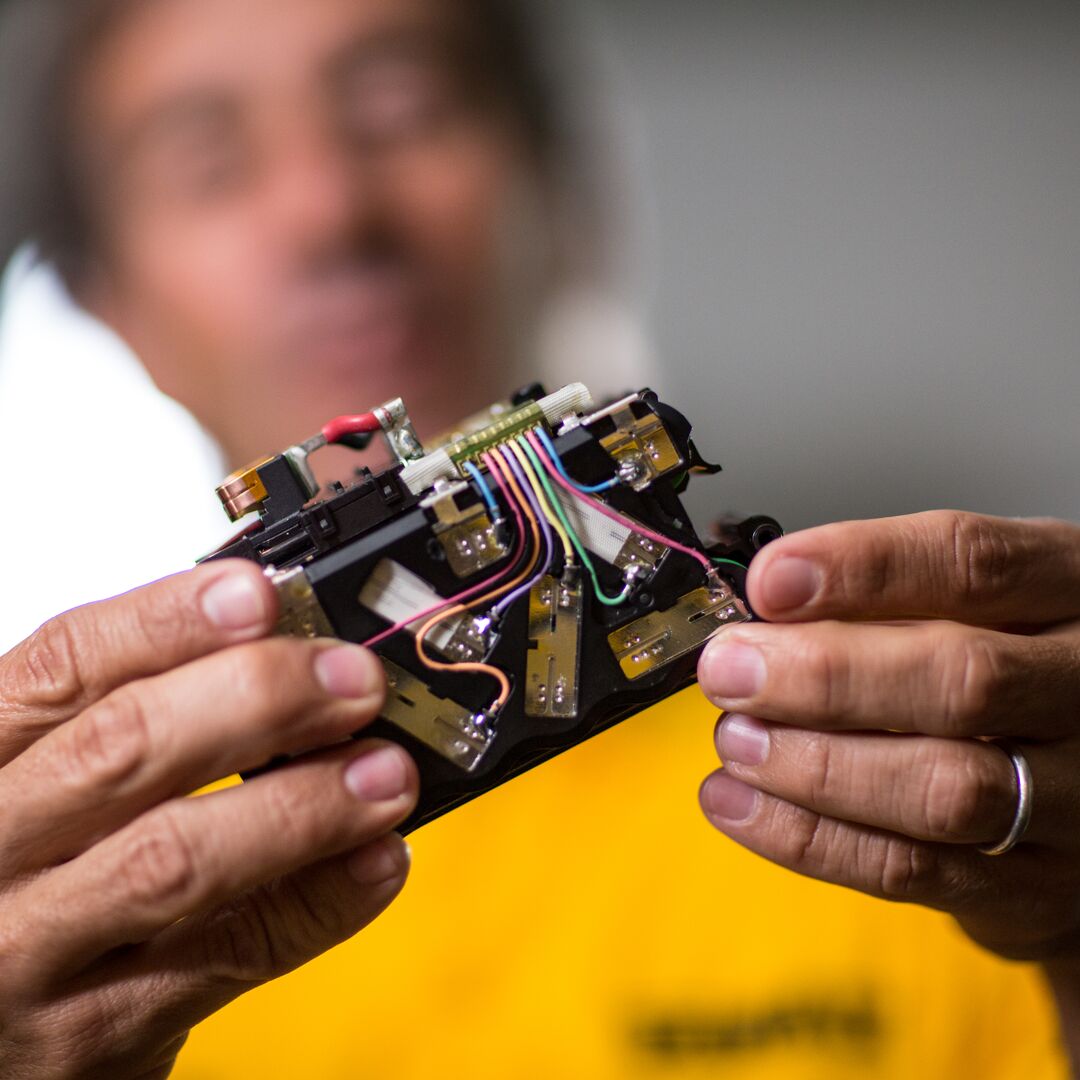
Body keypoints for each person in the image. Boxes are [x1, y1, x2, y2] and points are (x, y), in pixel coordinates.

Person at [0, 0, 1077, 1077]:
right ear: (111, 311)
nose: (329, 204)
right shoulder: (67, 919)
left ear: (563, 196)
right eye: (210, 163)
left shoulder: (942, 796)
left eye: (398, 107)